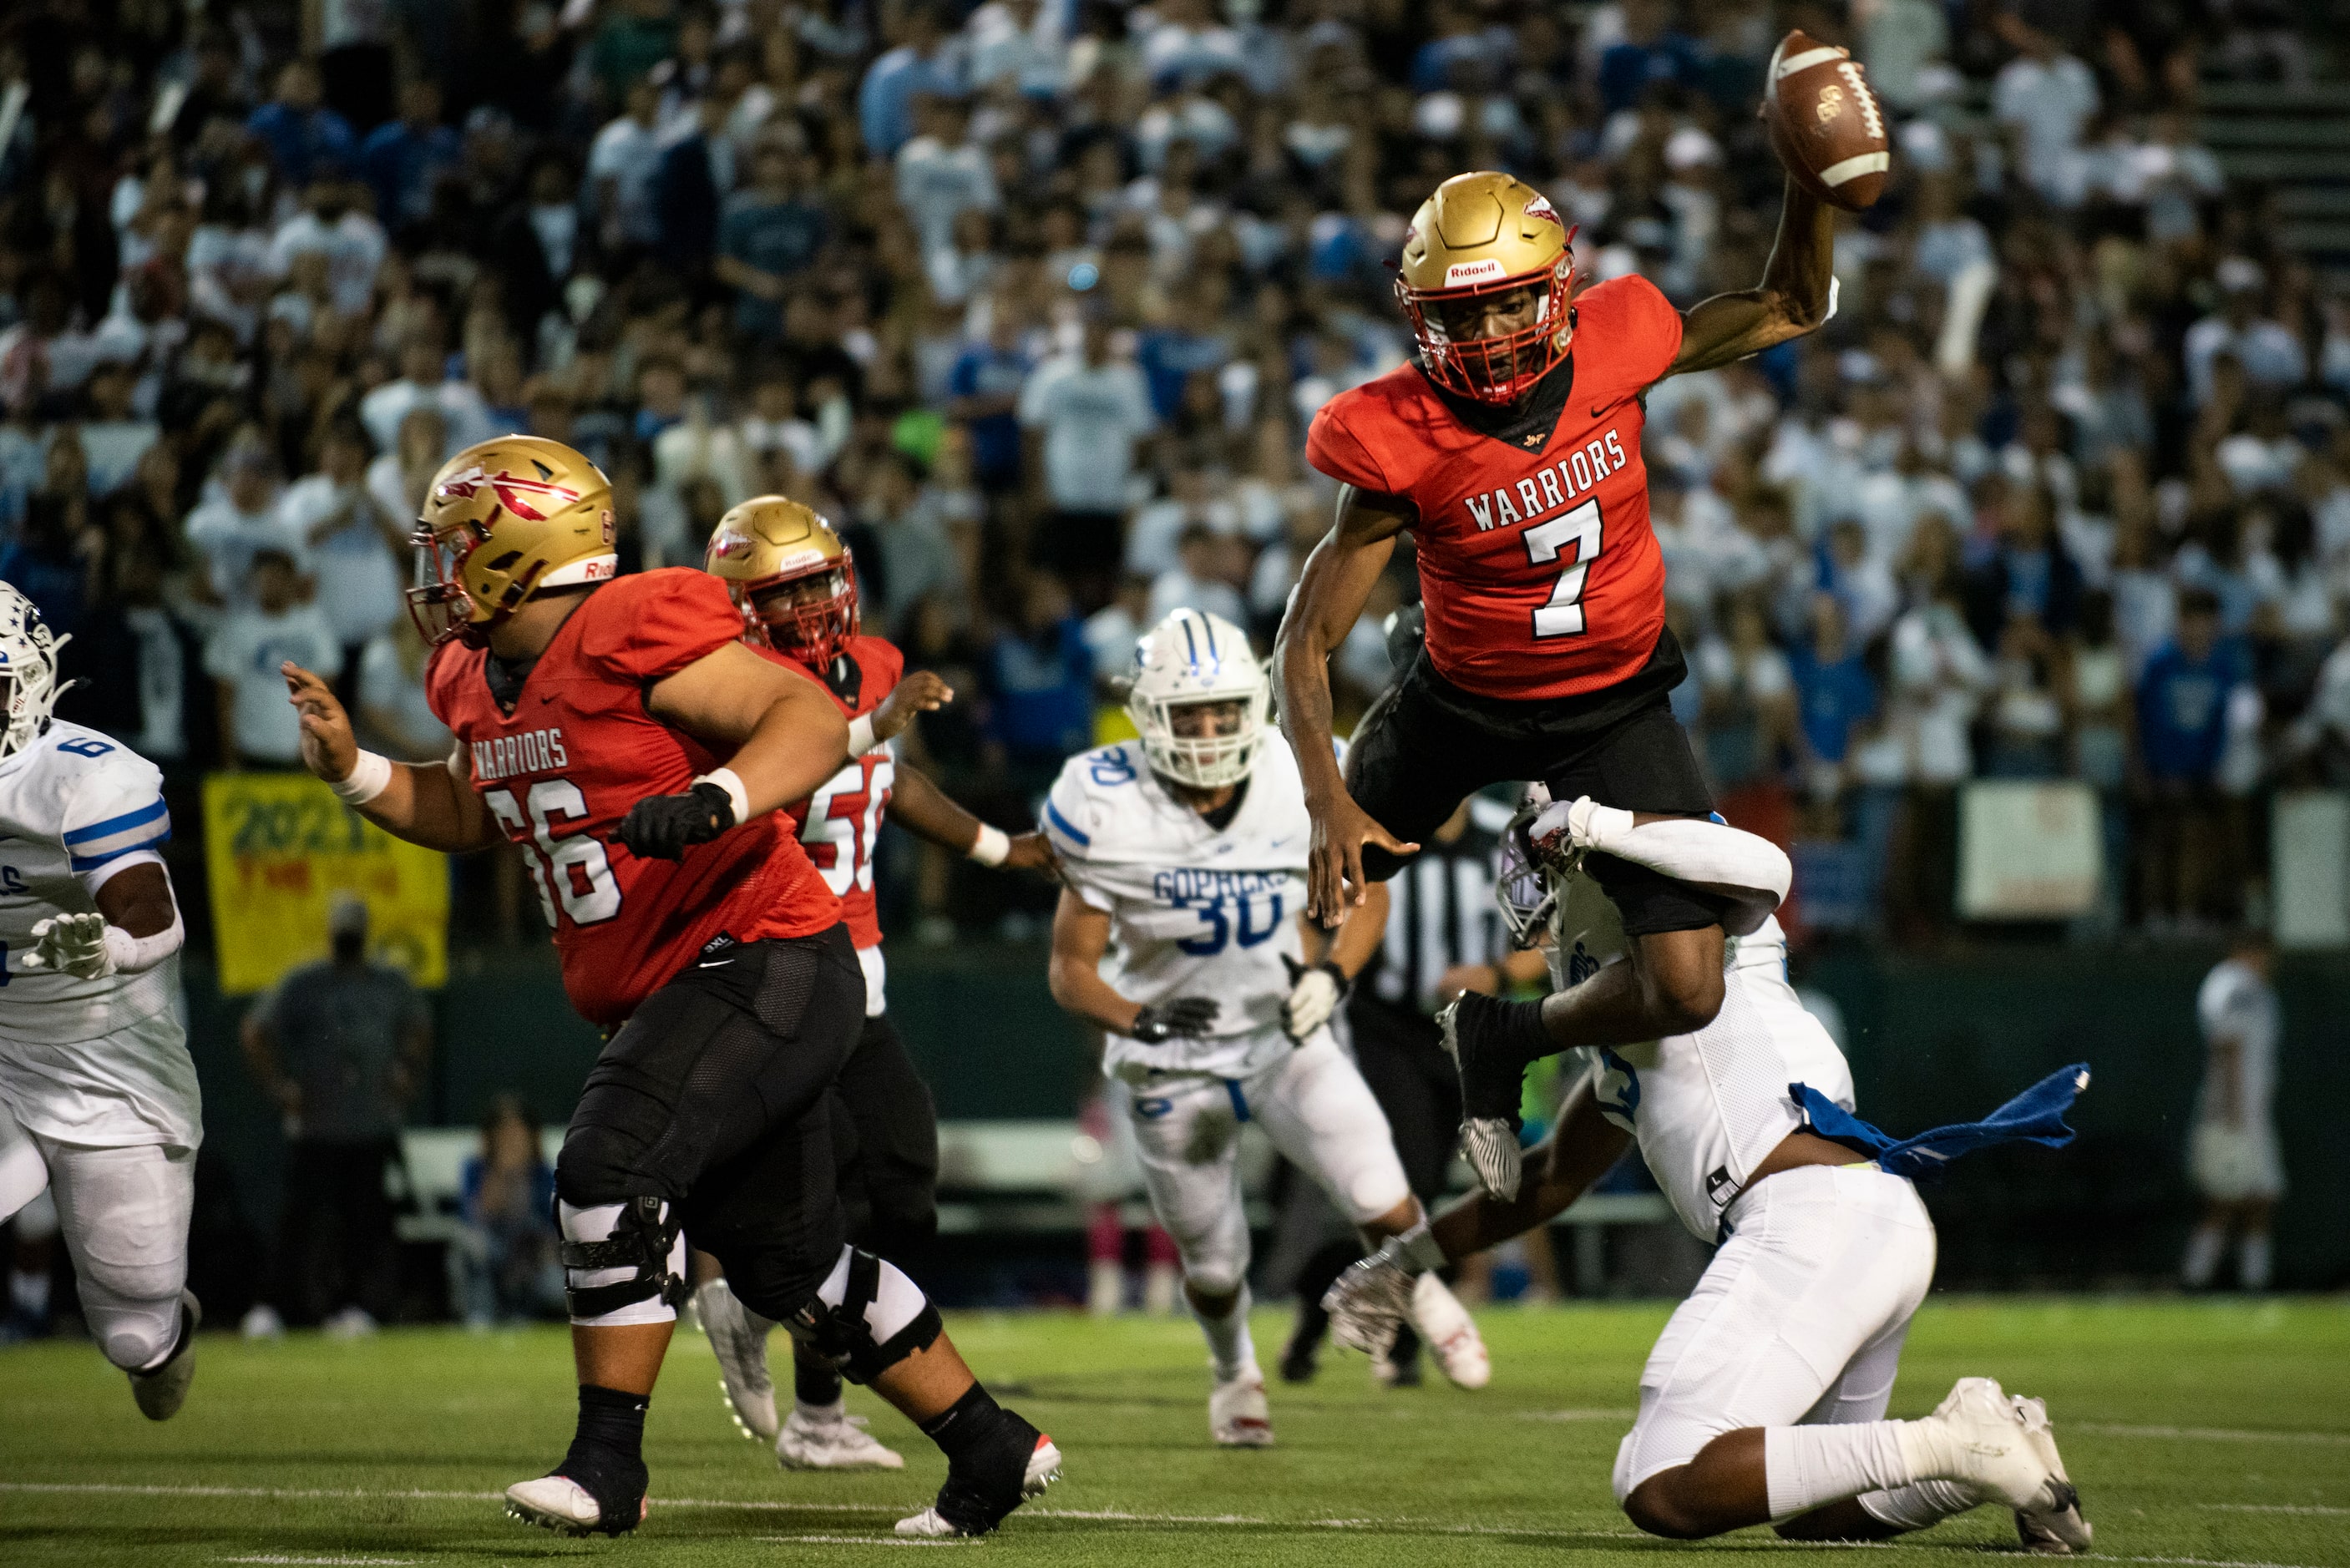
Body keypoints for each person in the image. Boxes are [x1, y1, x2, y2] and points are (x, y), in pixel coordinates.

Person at [281, 435, 1057, 1540]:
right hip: (687, 983)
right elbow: (475, 808)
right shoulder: (468, 672)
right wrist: (357, 771)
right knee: (789, 1261)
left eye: (459, 544)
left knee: (610, 1158)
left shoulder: (633, 623)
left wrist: (718, 796)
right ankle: (990, 1446)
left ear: (519, 545)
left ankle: (608, 1465)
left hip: (765, 948)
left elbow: (804, 720)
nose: (442, 570)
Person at [1277, 108, 1853, 1191]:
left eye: (1506, 299)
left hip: (1613, 701)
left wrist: (1806, 189)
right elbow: (1303, 638)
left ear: (1554, 286)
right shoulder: (1393, 431)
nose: (1491, 330)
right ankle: (1305, 1098)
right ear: (1418, 317)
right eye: (1463, 310)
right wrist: (1322, 798)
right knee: (1331, 885)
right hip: (1460, 696)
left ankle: (1503, 1034)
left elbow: (1788, 304)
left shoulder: (1619, 337)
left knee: (1689, 985)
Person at [1322, 799, 2095, 1551]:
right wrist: (1404, 1262)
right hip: (1867, 1221)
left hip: (1810, 1217)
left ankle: (1959, 1442)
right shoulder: (1638, 1019)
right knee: (1812, 1509)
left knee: (1660, 1483)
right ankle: (2002, 1465)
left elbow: (1763, 865)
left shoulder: (1707, 937)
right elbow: (1549, 1176)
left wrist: (1598, 825)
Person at [1041, 607, 1489, 1448]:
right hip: (1172, 1056)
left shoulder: (1295, 773)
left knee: (1378, 1187)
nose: (1209, 731)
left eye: (1222, 710)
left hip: (1281, 1032)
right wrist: (1141, 1018)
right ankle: (1232, 1369)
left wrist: (1331, 976)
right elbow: (1070, 970)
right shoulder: (1105, 800)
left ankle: (1426, 1295)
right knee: (1214, 1265)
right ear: (1148, 716)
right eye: (1188, 714)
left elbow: (1371, 892)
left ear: (1253, 704)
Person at [689, 496, 1054, 1472]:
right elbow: (771, 795)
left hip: (862, 971)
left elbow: (891, 783)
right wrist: (865, 725)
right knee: (835, 1180)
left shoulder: (877, 667)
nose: (811, 605)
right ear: (738, 605)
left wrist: (996, 847)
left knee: (898, 1188)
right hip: (784, 961)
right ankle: (745, 1309)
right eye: (785, 590)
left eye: (818, 581)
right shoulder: (730, 696)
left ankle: (801, 1389)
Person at [0, 583, 200, 1418]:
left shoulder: (81, 776)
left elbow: (153, 913)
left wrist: (109, 945)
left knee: (135, 1333)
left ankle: (163, 1341)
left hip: (106, 1051)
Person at [238, 895, 432, 1336]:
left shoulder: (388, 983)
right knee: (300, 1221)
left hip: (369, 1124)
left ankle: (360, 1307)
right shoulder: (306, 983)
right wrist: (281, 1088)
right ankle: (275, 1307)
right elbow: (254, 1031)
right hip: (318, 1126)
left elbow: (420, 1026)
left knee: (366, 1222)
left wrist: (404, 1073)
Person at [2181, 934, 2284, 1291]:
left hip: (2256, 1114)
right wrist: (2232, 1109)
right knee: (2223, 1199)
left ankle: (2256, 1281)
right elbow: (2226, 1048)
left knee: (2262, 1198)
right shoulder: (2229, 985)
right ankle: (2193, 1280)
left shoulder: (2262, 993)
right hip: (2230, 1112)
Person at [453, 1094, 565, 1328]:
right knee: (471, 1247)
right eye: (503, 1133)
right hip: (491, 1248)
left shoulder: (543, 1173)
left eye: (517, 1132)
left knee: (552, 1281)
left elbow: (549, 1225)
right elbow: (474, 1217)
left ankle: (524, 1313)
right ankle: (480, 1315)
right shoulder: (475, 1169)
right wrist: (502, 1171)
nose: (511, 1140)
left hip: (529, 1256)